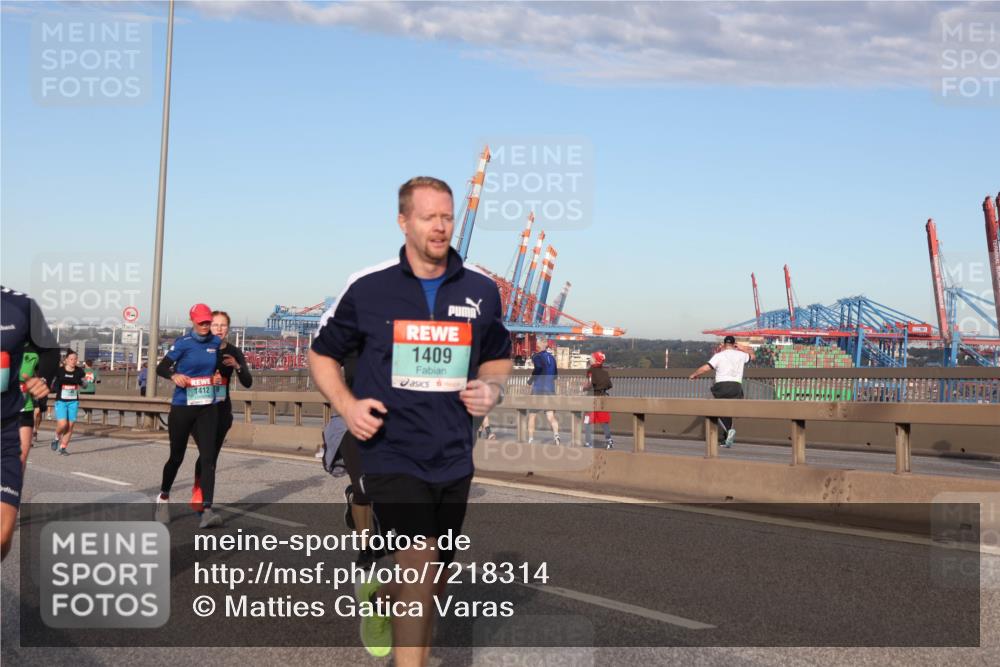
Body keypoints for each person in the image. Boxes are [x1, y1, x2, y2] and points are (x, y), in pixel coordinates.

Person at [309, 176, 512, 665]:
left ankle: (383, 600)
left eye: (447, 217)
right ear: (403, 222)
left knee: (435, 574)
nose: (440, 227)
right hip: (390, 451)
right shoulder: (369, 287)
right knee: (418, 562)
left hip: (453, 454)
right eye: (429, 217)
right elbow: (321, 355)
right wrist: (347, 405)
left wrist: (492, 386)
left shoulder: (482, 290)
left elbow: (498, 356)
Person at [1, 286, 59, 560]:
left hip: (5, 429)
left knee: (2, 537)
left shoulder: (19, 305)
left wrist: (42, 379)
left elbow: (49, 350)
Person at [155, 303, 224, 529]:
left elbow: (216, 369)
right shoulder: (183, 343)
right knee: (177, 456)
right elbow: (161, 368)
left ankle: (206, 510)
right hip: (183, 406)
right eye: (201, 322)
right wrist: (174, 375)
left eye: (208, 322)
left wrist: (216, 377)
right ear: (193, 321)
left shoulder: (216, 342)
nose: (205, 326)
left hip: (207, 406)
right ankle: (163, 497)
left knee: (208, 458)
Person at [189, 310, 252, 512]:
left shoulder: (233, 351)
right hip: (198, 408)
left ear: (228, 329)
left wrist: (237, 366)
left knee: (211, 456)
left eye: (223, 325)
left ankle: (200, 485)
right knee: (206, 454)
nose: (219, 329)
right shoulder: (196, 348)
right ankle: (204, 500)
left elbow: (247, 382)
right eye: (215, 325)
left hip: (222, 410)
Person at [689, 335, 755, 448]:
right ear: (734, 344)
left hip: (722, 385)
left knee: (718, 409)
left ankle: (729, 431)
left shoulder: (719, 356)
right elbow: (752, 355)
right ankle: (727, 439)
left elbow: (706, 368)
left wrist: (694, 374)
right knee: (729, 411)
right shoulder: (741, 355)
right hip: (736, 386)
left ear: (724, 344)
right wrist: (740, 347)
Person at [50, 350, 89, 456]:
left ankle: (63, 448)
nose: (73, 361)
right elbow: (53, 384)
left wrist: (84, 382)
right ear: (66, 360)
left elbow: (85, 384)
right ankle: (56, 437)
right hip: (61, 401)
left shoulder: (79, 371)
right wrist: (54, 386)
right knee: (63, 424)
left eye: (75, 359)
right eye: (71, 359)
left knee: (70, 426)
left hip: (73, 401)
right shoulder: (59, 371)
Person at [527, 340, 560, 445]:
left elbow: (539, 368)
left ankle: (531, 439)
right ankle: (556, 436)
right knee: (551, 416)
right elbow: (555, 375)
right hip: (550, 389)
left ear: (538, 346)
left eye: (536, 345)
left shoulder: (536, 357)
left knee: (532, 415)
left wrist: (531, 380)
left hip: (538, 389)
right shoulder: (552, 358)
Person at [582, 351, 614, 449]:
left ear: (595, 360)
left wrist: (584, 388)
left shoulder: (591, 371)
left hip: (592, 399)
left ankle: (588, 442)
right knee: (604, 421)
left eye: (591, 357)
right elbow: (609, 385)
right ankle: (609, 440)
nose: (590, 359)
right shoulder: (605, 373)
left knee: (588, 422)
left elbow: (590, 384)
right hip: (603, 398)